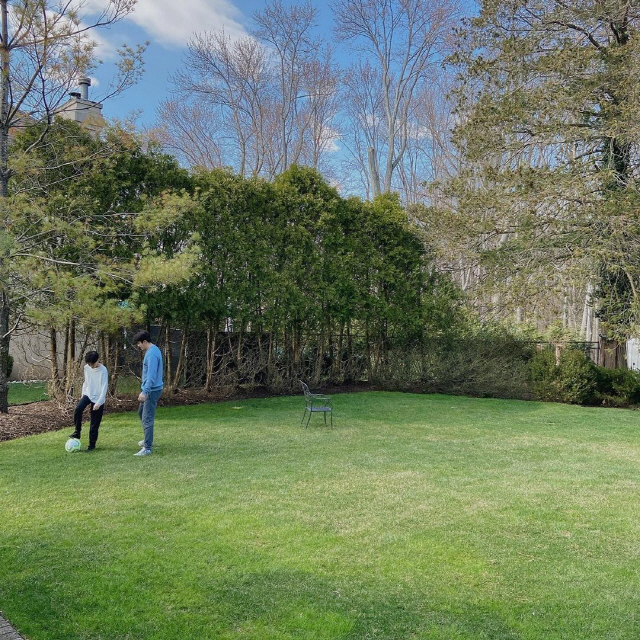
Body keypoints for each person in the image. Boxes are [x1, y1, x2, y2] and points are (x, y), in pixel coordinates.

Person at [69, 351, 108, 451]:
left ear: (97, 360)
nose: (90, 366)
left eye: (92, 364)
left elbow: (104, 387)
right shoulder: (87, 367)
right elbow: (86, 382)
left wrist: (99, 402)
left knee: (94, 422)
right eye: (89, 364)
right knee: (78, 409)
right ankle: (77, 431)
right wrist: (83, 394)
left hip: (99, 397)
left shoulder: (103, 370)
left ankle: (92, 445)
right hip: (88, 394)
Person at [133, 330, 163, 456]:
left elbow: (151, 375)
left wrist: (145, 391)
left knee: (147, 418)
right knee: (141, 413)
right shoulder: (153, 350)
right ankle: (147, 439)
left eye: (139, 344)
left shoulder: (151, 354)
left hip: (151, 390)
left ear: (144, 341)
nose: (138, 346)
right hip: (149, 389)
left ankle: (147, 448)